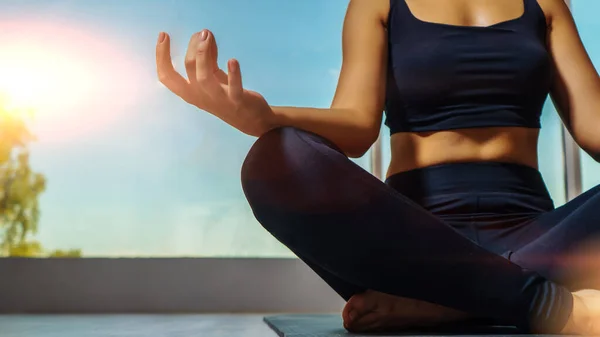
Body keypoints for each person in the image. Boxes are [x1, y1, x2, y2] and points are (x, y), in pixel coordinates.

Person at [155, 0, 600, 334]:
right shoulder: (378, 4)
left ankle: (450, 300)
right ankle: (543, 302)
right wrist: (267, 118)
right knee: (276, 156)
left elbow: (594, 126)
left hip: (543, 238)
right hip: (407, 248)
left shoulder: (545, 5)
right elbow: (355, 127)